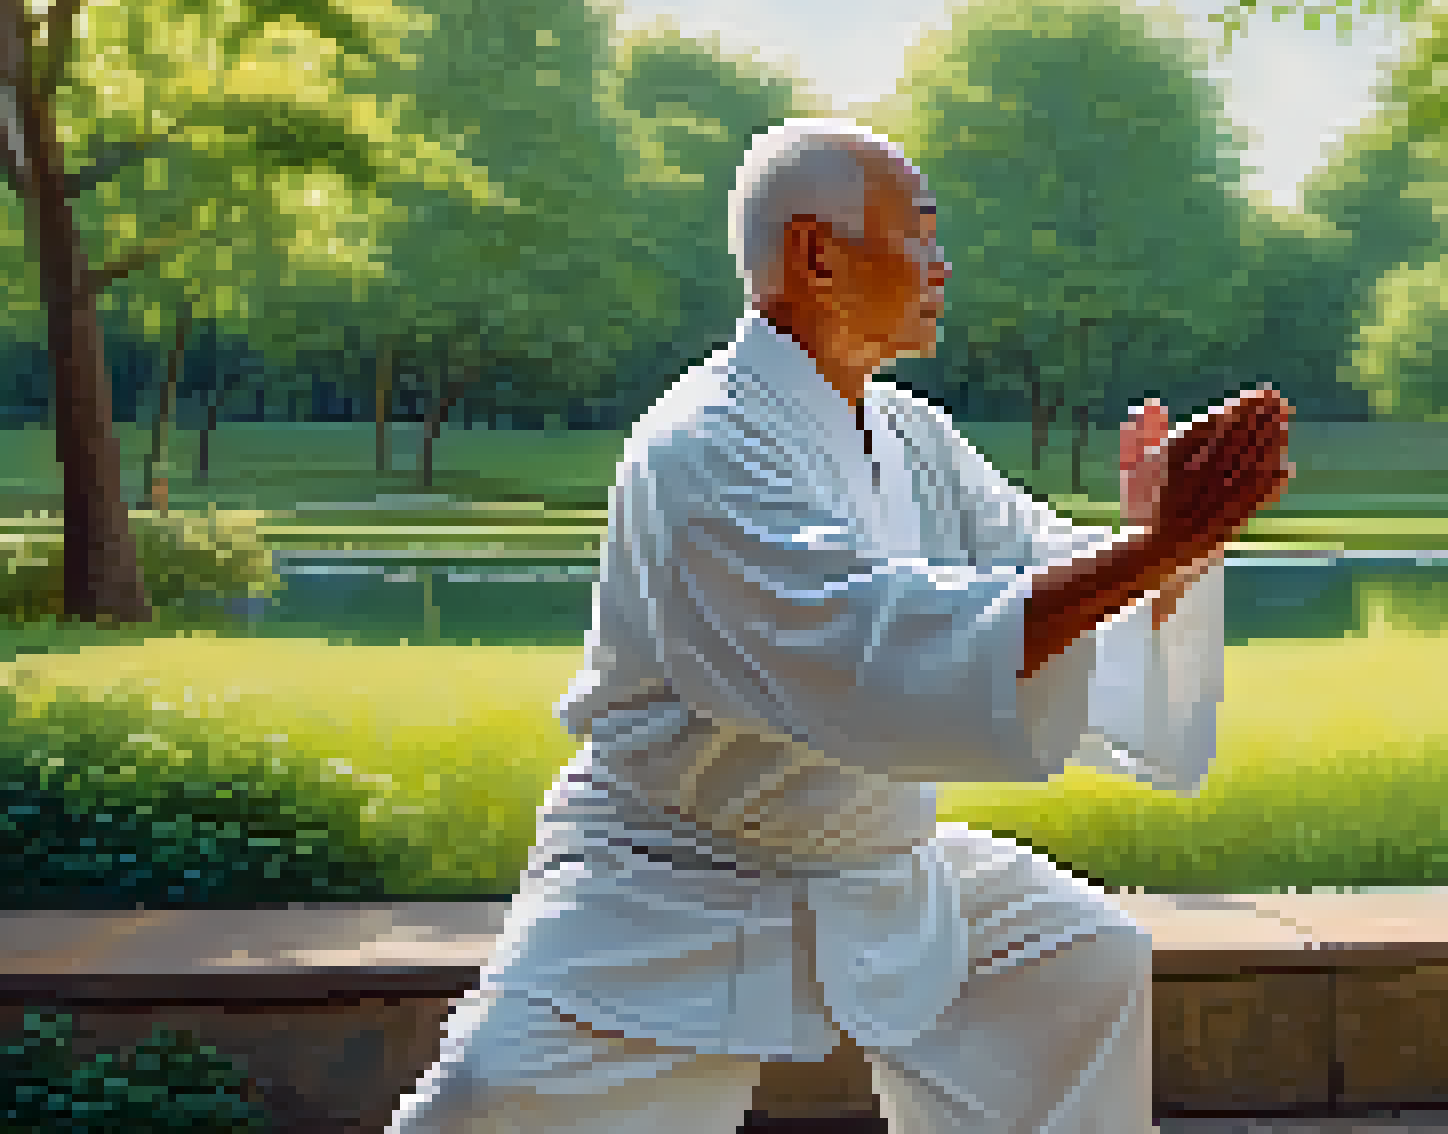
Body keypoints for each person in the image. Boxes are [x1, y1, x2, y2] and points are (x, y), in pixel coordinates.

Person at [383, 117, 1292, 1134]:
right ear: (819, 254)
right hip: (672, 885)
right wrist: (1152, 551)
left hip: (875, 871)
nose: (945, 266)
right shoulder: (704, 445)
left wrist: (1148, 542)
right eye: (923, 235)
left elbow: (1031, 566)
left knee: (1077, 961)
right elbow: (866, 648)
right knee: (488, 1103)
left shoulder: (909, 433)